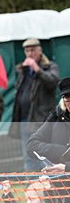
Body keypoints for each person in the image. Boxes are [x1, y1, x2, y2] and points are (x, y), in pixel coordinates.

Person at [8, 38, 61, 172]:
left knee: (47, 153)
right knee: (28, 154)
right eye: (27, 50)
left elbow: (53, 82)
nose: (30, 53)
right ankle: (33, 183)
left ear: (40, 51)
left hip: (42, 120)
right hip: (25, 120)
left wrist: (37, 69)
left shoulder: (50, 66)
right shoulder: (23, 71)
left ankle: (53, 182)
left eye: (32, 50)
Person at [27, 77, 70, 170]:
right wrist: (63, 151)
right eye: (67, 97)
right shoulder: (56, 116)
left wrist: (66, 167)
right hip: (59, 181)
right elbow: (31, 145)